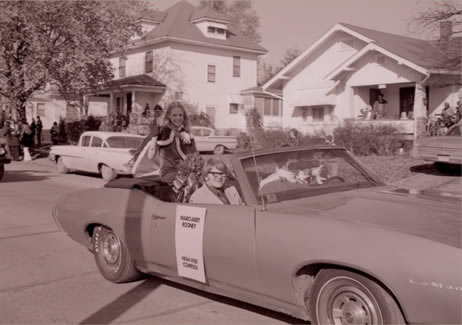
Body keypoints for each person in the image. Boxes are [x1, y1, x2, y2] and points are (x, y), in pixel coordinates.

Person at [157, 101, 197, 184]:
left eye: (180, 115)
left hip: (186, 172)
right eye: (174, 115)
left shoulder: (188, 135)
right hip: (169, 173)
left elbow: (194, 156)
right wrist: (180, 134)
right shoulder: (164, 132)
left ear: (184, 116)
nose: (178, 118)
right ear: (169, 116)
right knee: (189, 182)